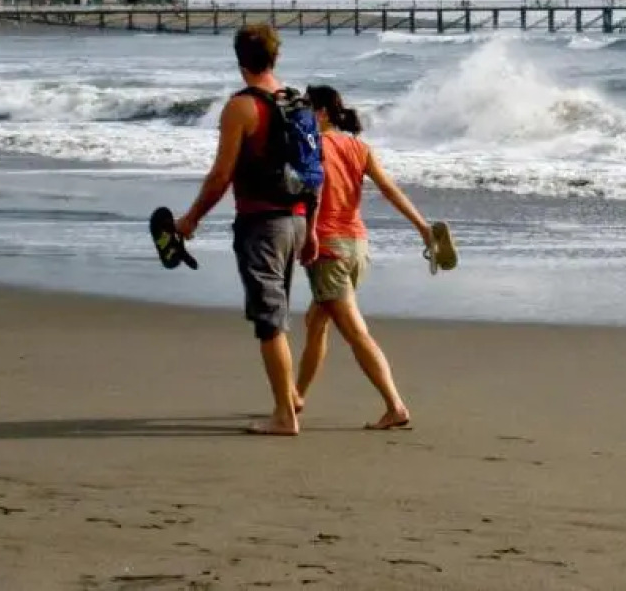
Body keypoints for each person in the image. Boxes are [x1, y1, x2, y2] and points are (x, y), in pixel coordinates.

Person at [176, 24, 316, 437]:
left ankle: (285, 415)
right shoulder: (298, 102)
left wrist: (192, 218)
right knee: (279, 311)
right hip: (297, 220)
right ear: (276, 57)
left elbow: (221, 176)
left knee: (270, 322)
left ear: (240, 61)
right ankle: (290, 398)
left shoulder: (241, 107)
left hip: (262, 224)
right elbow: (315, 173)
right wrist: (312, 229)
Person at [295, 84, 436, 430]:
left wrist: (306, 234)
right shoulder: (359, 147)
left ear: (321, 112)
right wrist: (422, 227)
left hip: (328, 248)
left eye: (306, 107)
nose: (300, 114)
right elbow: (389, 189)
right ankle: (295, 397)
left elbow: (311, 192)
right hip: (357, 246)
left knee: (356, 333)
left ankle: (395, 405)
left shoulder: (314, 145)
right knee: (316, 322)